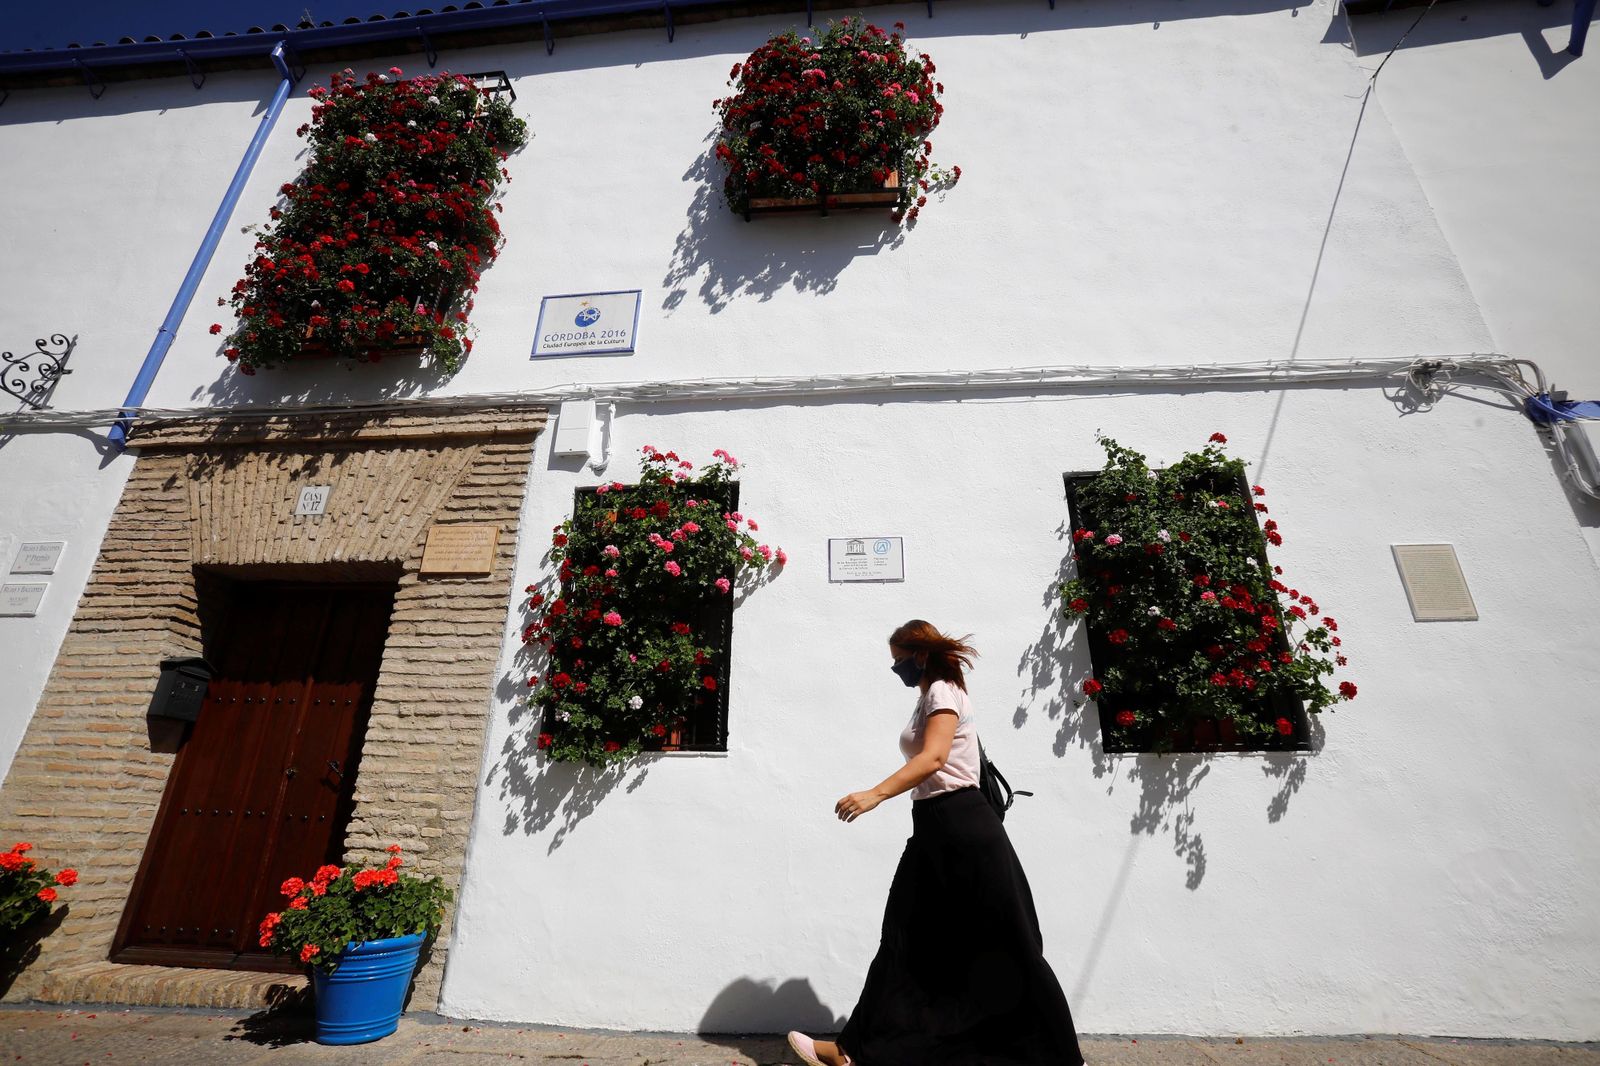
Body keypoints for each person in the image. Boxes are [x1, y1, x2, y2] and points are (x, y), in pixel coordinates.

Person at [788, 620, 1086, 1066]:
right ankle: (855, 1051)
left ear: (920, 655)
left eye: (899, 662)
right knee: (904, 939)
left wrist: (874, 794)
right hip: (933, 826)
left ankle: (1061, 1057)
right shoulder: (927, 696)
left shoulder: (942, 690)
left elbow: (935, 757)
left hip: (963, 825)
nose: (897, 670)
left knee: (1009, 939)